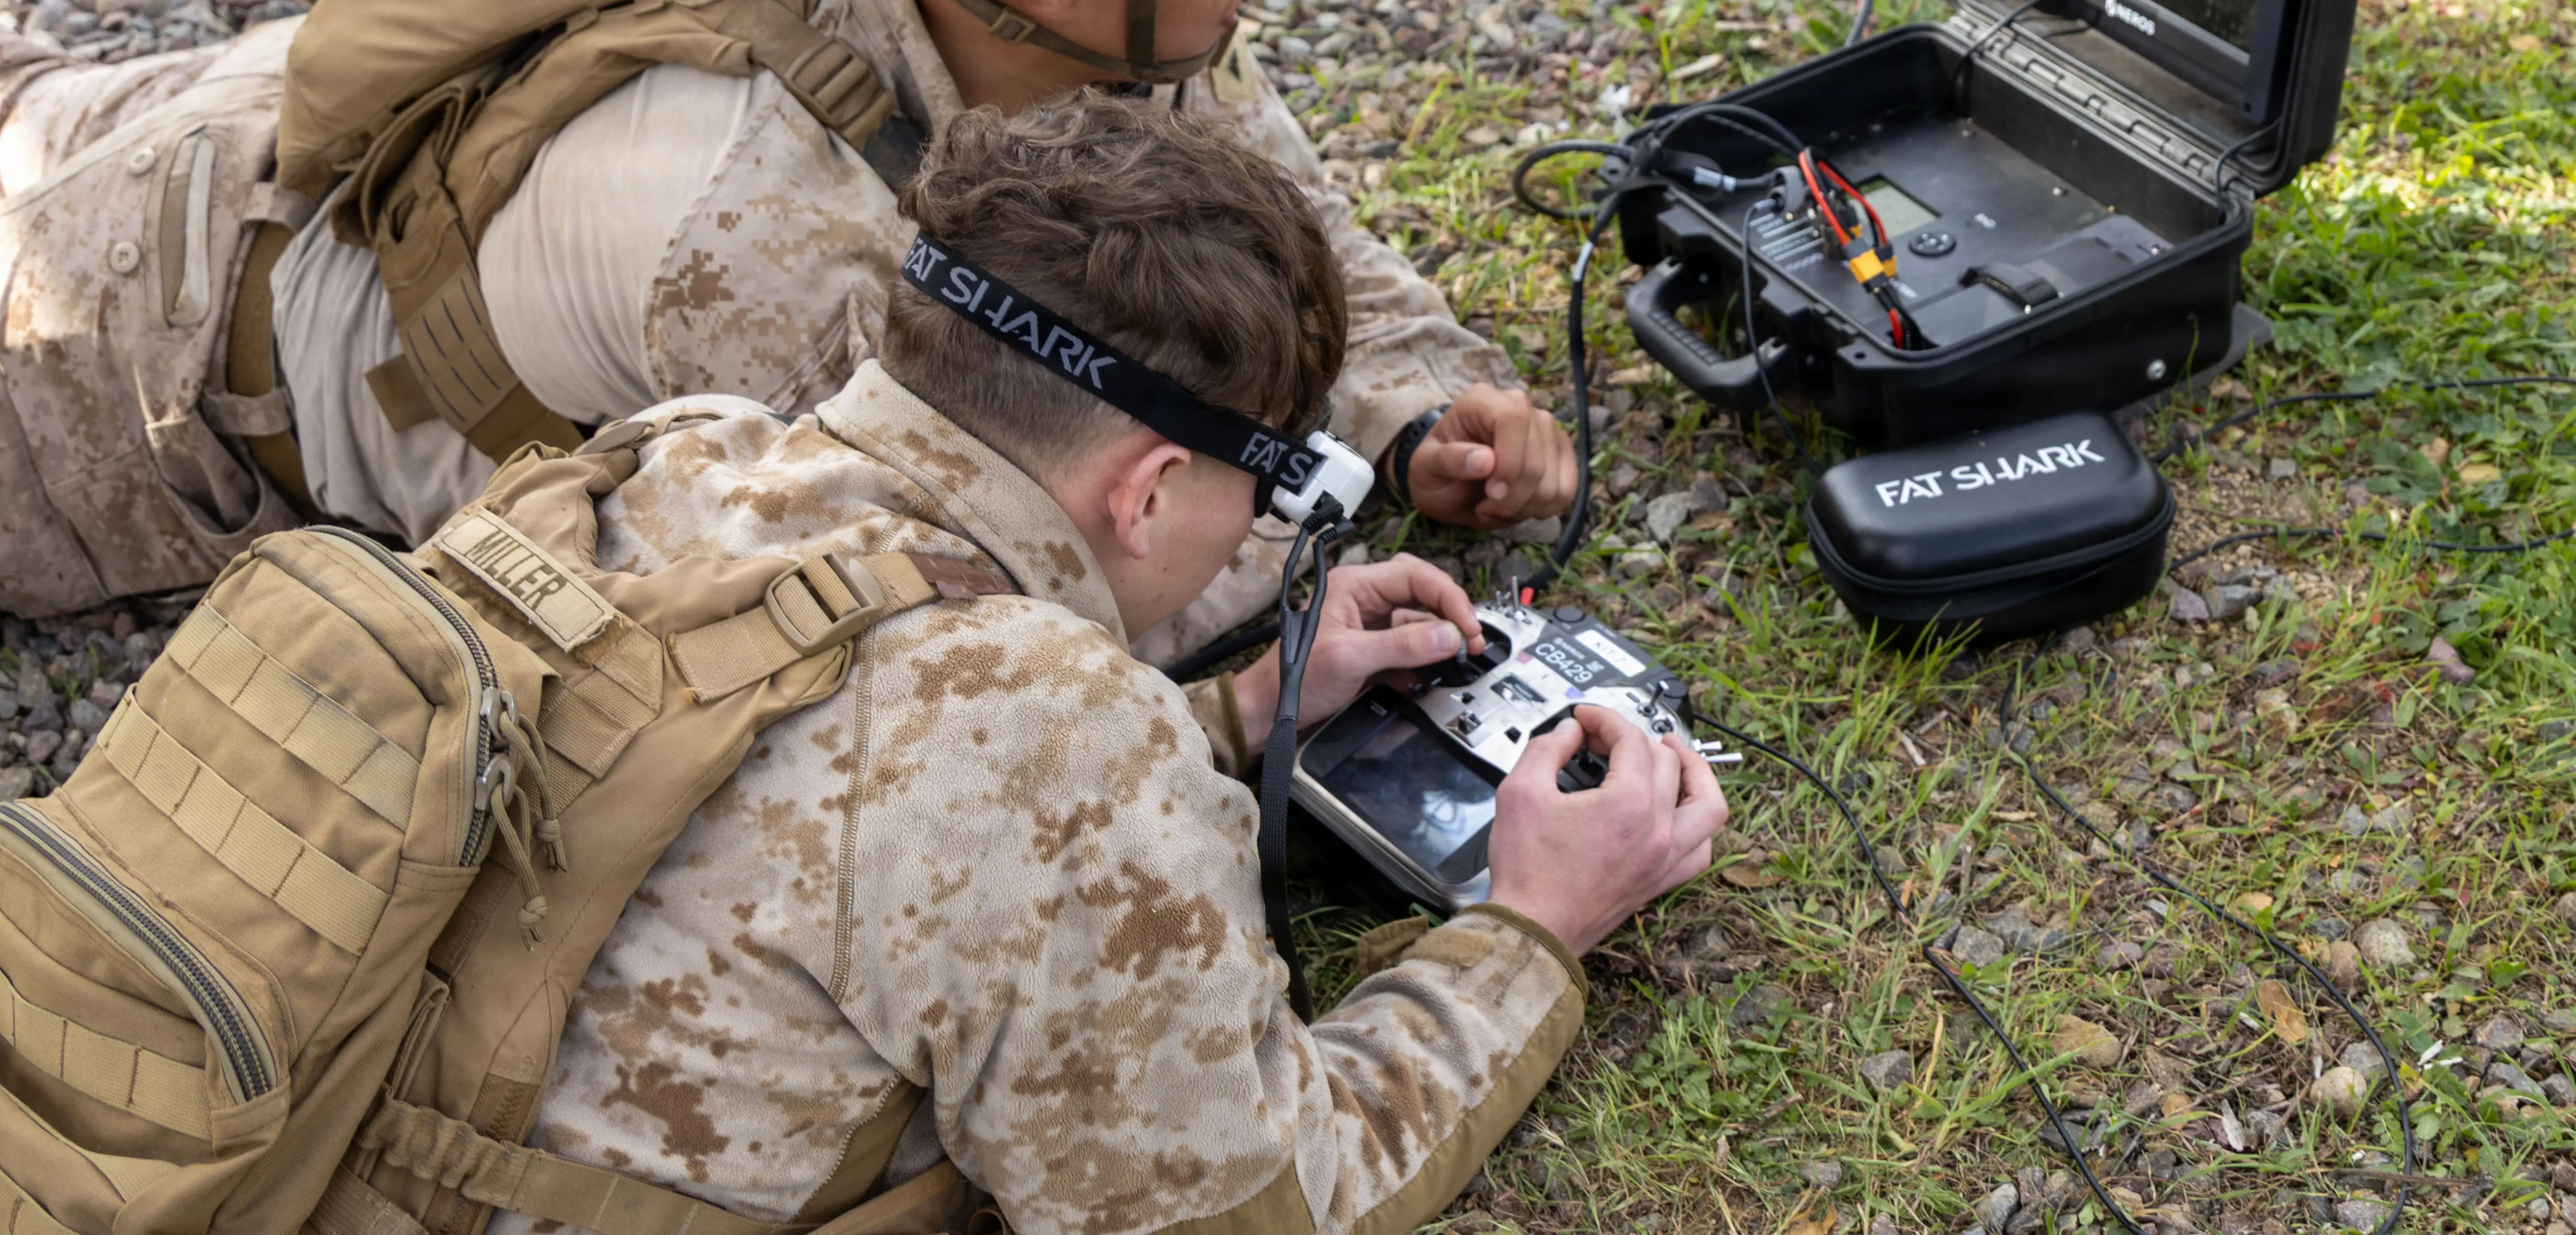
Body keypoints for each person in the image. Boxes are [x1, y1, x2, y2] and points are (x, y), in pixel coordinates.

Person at [0, 0, 1571, 660]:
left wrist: (1416, 403)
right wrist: (1315, 605)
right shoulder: (770, 245)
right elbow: (984, 588)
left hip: (224, 126)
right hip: (143, 365)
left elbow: (1254, 181)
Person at [438, 94, 1725, 1235]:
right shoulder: (1058, 745)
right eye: (1269, 486)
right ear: (1156, 491)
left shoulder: (681, 455)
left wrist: (1247, 708)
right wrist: (1536, 924)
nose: (1265, 531)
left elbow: (839, 782)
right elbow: (1270, 1207)